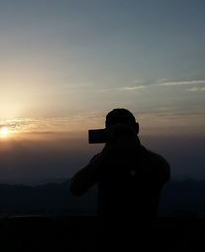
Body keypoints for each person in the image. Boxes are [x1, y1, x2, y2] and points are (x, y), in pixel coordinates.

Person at [70, 108, 170, 251]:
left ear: (136, 129)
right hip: (112, 241)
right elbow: (75, 188)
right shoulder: (103, 160)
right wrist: (106, 152)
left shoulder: (147, 161)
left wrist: (136, 147)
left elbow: (164, 172)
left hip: (141, 240)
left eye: (123, 129)